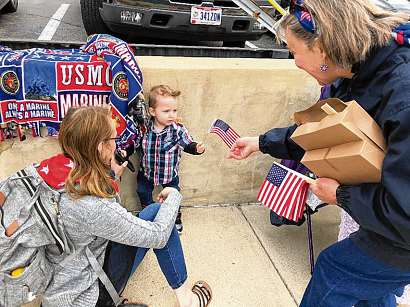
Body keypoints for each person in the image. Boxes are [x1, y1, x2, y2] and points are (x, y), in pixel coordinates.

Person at [227, 0, 410, 306]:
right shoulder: (358, 72)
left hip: (403, 225)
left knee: (336, 271)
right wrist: (260, 142)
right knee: (366, 288)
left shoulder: (402, 93)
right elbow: (324, 134)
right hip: (392, 213)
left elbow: (405, 213)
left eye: (295, 51)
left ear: (322, 49)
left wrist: (341, 195)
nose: (294, 61)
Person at [40, 106, 212, 307]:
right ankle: (189, 301)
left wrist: (113, 175)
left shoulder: (52, 173)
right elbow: (157, 235)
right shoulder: (92, 207)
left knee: (149, 214)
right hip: (86, 294)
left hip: (58, 282)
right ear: (100, 146)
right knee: (159, 213)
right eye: (113, 139)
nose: (117, 145)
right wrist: (174, 195)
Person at [124, 85, 205, 234]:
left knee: (172, 196)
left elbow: (187, 143)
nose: (171, 115)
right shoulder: (145, 127)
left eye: (174, 110)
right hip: (147, 172)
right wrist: (126, 151)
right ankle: (149, 215)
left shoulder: (177, 130)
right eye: (166, 111)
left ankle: (175, 218)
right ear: (152, 111)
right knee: (142, 191)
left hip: (169, 174)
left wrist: (196, 148)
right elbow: (134, 142)